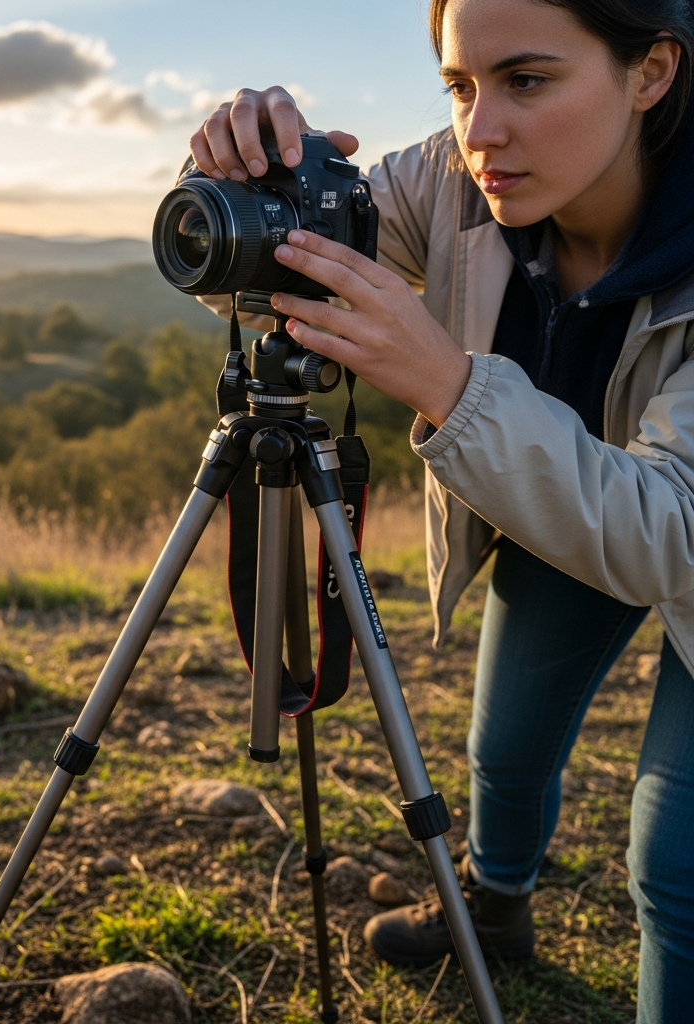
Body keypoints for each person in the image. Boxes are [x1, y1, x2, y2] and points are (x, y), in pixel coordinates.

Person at [189, 0, 694, 1019]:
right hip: (567, 495)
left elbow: (672, 535)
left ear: (650, 72)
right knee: (502, 748)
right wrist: (238, 194)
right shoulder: (452, 182)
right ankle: (495, 908)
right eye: (460, 86)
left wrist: (449, 386)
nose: (480, 131)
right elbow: (284, 272)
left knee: (674, 858)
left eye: (527, 81)